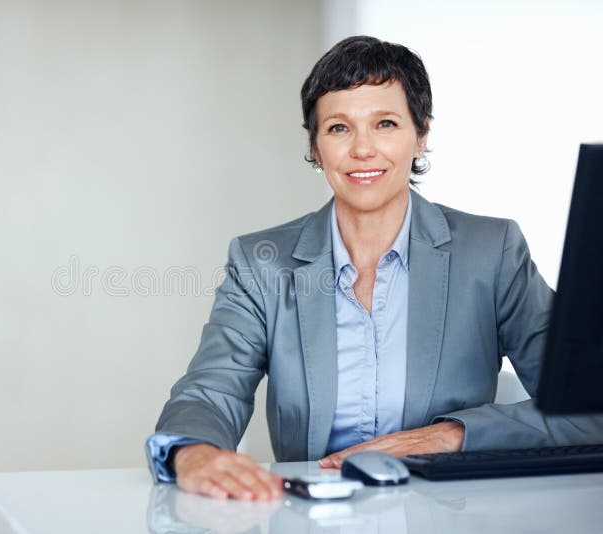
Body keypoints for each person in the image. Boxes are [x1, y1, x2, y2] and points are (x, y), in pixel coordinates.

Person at [145, 36, 603, 501]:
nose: (363, 149)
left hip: (450, 516)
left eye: (385, 123)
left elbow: (587, 405)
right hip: (313, 515)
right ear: (316, 147)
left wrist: (454, 435)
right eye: (339, 128)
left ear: (421, 134)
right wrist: (193, 452)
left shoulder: (493, 252)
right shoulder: (261, 262)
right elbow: (209, 391)